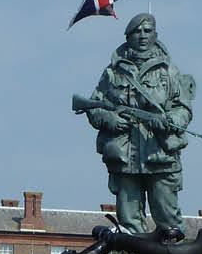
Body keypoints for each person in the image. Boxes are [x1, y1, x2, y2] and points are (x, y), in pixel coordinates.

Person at [84, 13, 196, 234]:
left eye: (147, 30)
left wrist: (171, 121)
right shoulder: (113, 72)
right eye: (137, 31)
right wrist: (110, 119)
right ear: (128, 36)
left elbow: (183, 107)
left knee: (168, 218)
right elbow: (93, 105)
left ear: (156, 34)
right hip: (125, 158)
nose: (142, 36)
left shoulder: (169, 71)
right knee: (129, 222)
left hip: (160, 155)